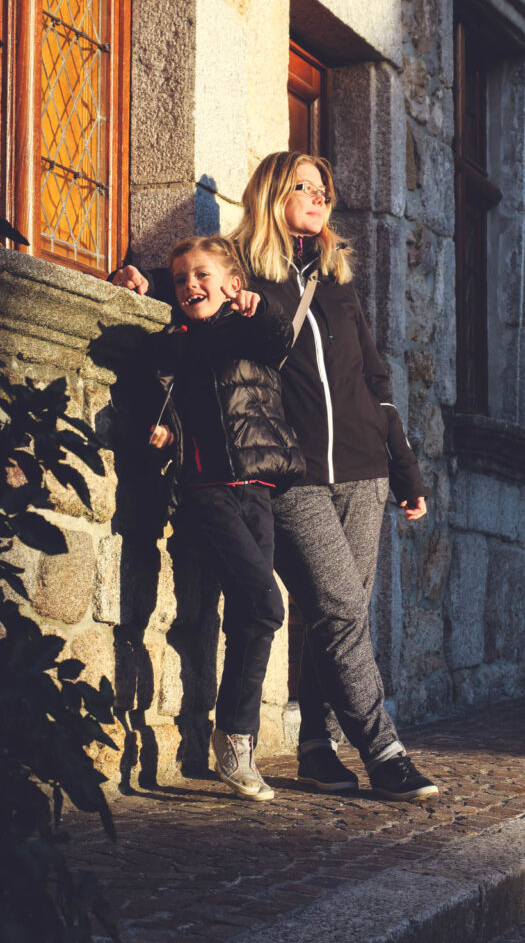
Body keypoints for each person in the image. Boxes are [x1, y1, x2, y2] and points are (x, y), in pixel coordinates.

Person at [113, 153, 438, 801]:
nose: (318, 197)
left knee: (336, 614)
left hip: (364, 468)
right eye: (303, 186)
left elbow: (375, 381)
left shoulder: (336, 278)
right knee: (341, 606)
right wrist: (141, 278)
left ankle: (316, 745)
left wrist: (404, 468)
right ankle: (384, 751)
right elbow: (194, 277)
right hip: (295, 474)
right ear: (270, 193)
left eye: (324, 189)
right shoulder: (244, 267)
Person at [147, 234, 305, 801]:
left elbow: (278, 334)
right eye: (181, 278)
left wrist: (259, 305)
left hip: (255, 490)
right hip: (205, 492)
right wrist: (168, 433)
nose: (191, 285)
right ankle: (237, 737)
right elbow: (175, 400)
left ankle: (233, 739)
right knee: (266, 603)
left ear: (232, 284)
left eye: (202, 275)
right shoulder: (179, 343)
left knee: (250, 615)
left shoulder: (246, 331)